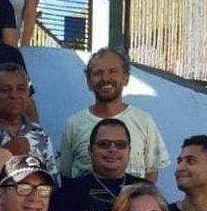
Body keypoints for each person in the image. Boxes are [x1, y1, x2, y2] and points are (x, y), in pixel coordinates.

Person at [58, 48, 169, 182]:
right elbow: (66, 174)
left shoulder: (143, 121)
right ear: (88, 82)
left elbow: (151, 171)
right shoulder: (74, 124)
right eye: (98, 73)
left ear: (126, 78)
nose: (105, 78)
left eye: (113, 72)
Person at [0, 63, 58, 182]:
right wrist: (4, 154)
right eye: (5, 90)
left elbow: (53, 183)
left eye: (21, 89)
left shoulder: (40, 134)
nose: (14, 95)